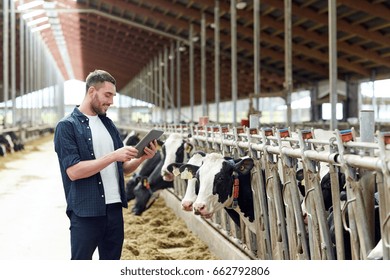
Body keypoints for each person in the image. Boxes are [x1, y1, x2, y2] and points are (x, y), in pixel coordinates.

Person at [54, 69, 157, 260]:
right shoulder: (67, 126)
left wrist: (142, 158)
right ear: (92, 91)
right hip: (86, 212)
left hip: (114, 209)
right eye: (107, 95)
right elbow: (74, 172)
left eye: (113, 96)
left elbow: (123, 170)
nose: (111, 101)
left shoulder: (108, 125)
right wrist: (112, 156)